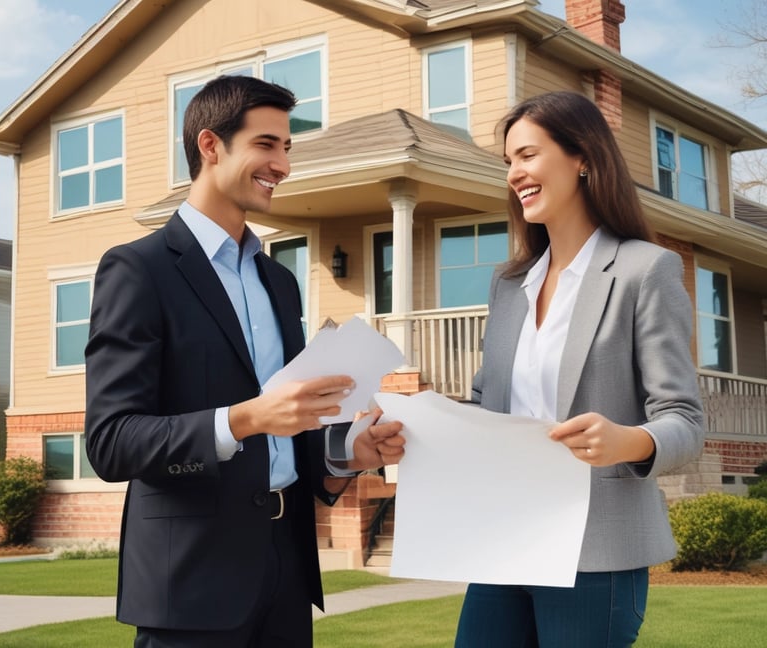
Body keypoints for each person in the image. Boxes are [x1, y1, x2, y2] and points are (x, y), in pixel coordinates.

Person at [84, 75, 405, 648]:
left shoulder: (278, 282)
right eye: (266, 144)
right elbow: (112, 442)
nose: (282, 164)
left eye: (287, 148)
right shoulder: (139, 270)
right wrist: (244, 419)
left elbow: (288, 428)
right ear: (211, 146)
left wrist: (345, 453)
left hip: (285, 575)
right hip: (189, 585)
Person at [454, 91, 705, 647]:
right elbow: (485, 404)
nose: (515, 174)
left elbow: (685, 420)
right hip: (504, 538)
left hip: (597, 548)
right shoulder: (508, 285)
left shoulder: (645, 270)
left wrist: (629, 440)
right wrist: (422, 422)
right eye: (509, 162)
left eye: (527, 155)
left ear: (582, 157)